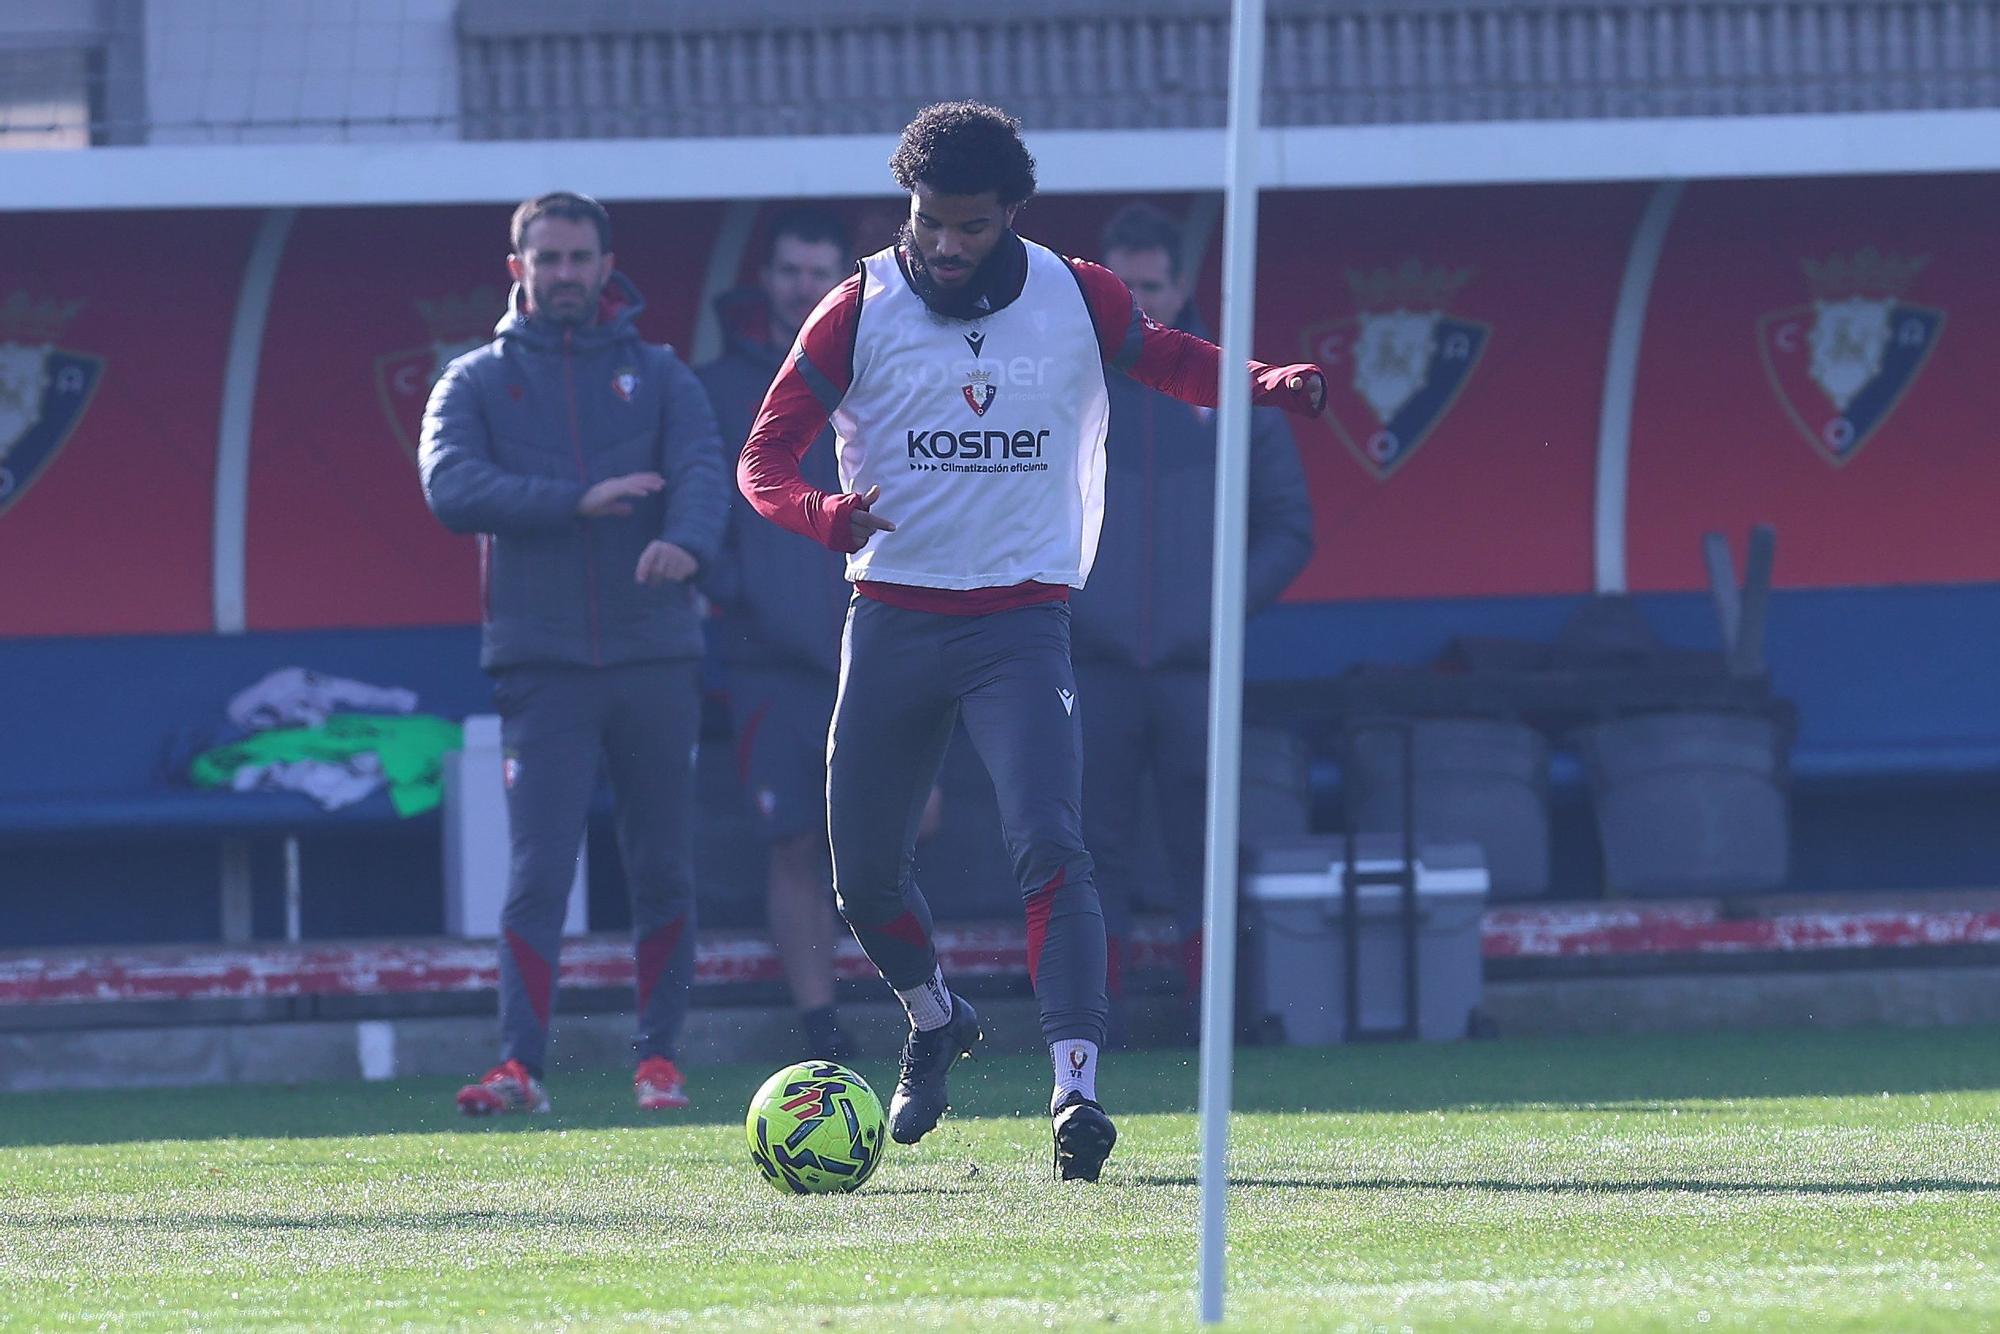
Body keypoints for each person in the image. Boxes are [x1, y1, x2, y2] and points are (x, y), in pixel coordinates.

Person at [737, 102, 1325, 1181]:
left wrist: (1254, 385)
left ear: (1010, 212)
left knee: (1050, 846)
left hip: (1020, 619)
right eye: (929, 222)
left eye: (968, 225)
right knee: (862, 879)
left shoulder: (1076, 291)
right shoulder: (854, 305)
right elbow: (761, 463)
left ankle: (1073, 1087)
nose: (946, 245)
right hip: (896, 615)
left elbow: (1168, 358)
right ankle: (933, 1015)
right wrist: (822, 516)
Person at [419, 191, 726, 1116]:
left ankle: (658, 1060)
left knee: (663, 864)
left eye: (577, 258)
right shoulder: (472, 379)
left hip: (654, 655)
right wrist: (576, 498)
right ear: (517, 269)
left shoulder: (660, 374)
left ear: (604, 265)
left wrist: (688, 546)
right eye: (545, 259)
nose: (562, 275)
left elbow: (708, 472)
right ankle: (522, 1067)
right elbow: (448, 485)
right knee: (538, 872)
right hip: (541, 663)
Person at [1071, 203, 1315, 1041]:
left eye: (1152, 284)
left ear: (1181, 286)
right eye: (1121, 285)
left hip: (1196, 669)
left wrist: (1221, 608)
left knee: (1207, 852)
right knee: (1086, 852)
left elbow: (1289, 526)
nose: (1138, 300)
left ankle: (1214, 1023)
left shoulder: (1233, 384)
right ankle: (1091, 1024)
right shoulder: (1064, 379)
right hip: (1088, 662)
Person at [696, 206, 862, 1062]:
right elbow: (700, 508)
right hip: (770, 663)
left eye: (819, 272)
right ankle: (821, 1027)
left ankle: (926, 1011)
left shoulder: (880, 368)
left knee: (903, 827)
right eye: (791, 270)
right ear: (767, 278)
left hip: (881, 646)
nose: (804, 286)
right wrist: (742, 586)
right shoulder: (723, 388)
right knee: (795, 840)